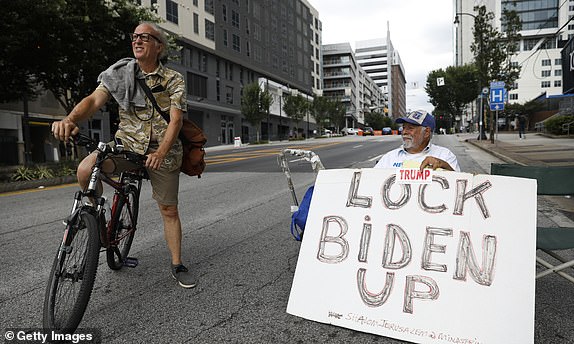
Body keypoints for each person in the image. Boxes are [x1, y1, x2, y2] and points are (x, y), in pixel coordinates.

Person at [51, 22, 196, 289]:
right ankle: (94, 214)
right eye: (135, 37)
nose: (137, 41)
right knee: (85, 170)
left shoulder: (173, 80)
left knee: (168, 209)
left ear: (158, 46)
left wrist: (161, 152)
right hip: (127, 145)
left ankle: (177, 264)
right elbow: (94, 100)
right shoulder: (120, 73)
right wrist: (70, 118)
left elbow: (175, 121)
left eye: (145, 37)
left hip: (161, 152)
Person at [374, 110, 461, 172]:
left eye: (410, 128)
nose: (404, 132)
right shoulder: (389, 158)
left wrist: (442, 165)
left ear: (426, 132)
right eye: (404, 127)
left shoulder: (445, 155)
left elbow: (459, 186)